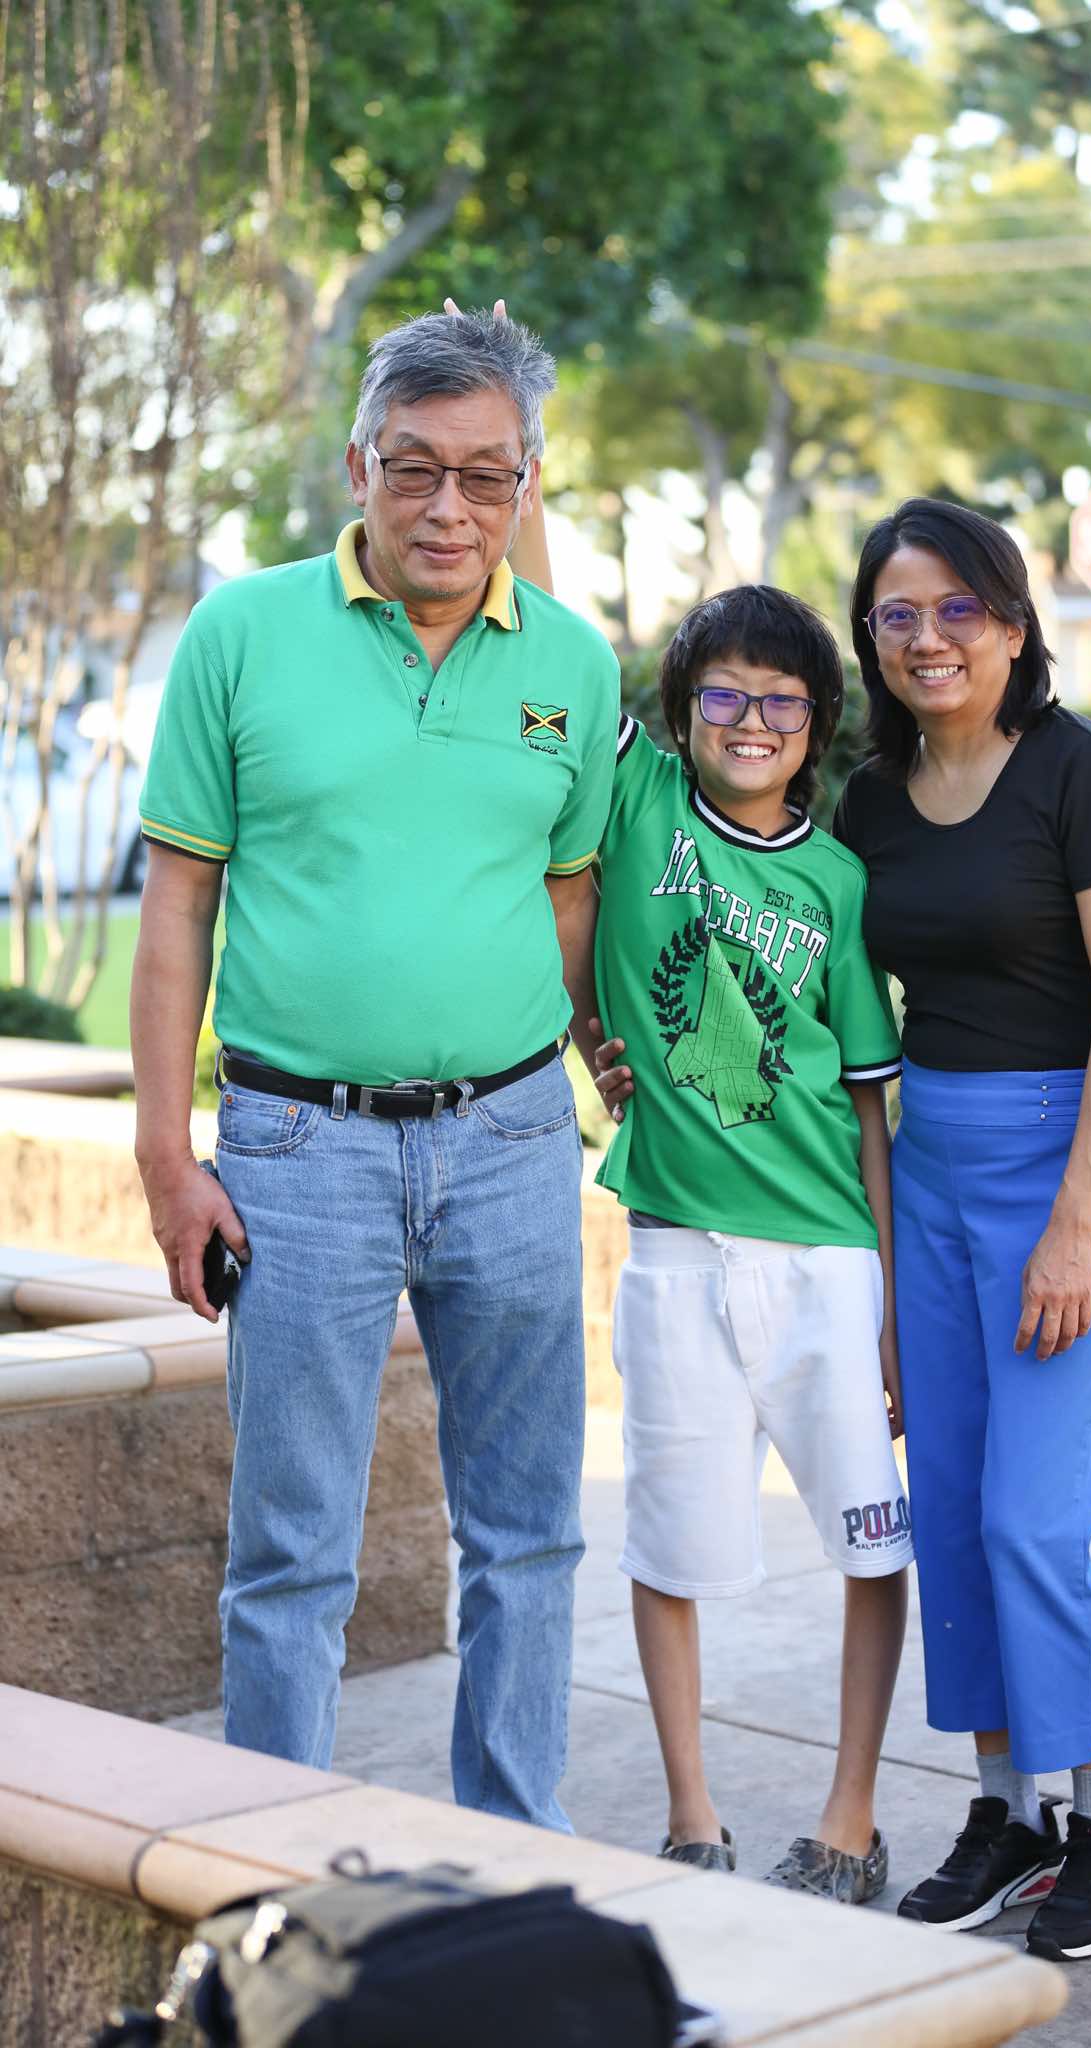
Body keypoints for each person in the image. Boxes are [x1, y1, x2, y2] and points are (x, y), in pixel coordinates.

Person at [130, 306, 619, 1831]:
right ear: (359, 465)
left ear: (525, 484)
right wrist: (166, 1158)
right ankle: (272, 1868)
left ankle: (515, 1852)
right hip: (297, 1150)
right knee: (291, 1552)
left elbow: (568, 906)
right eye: (415, 469)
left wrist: (610, 1067)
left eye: (485, 476)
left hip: (514, 1141)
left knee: (527, 1535)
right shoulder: (241, 634)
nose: (447, 508)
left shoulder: (574, 664)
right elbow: (178, 906)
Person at [833, 498, 1091, 1960]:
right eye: (898, 615)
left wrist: (1075, 1222)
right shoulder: (870, 798)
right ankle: (1004, 1809)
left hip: (1065, 1154)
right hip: (934, 1164)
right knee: (957, 1502)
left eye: (958, 609)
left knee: (1036, 1515)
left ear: (1014, 626)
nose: (929, 638)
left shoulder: (1088, 774)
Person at [590, 585, 912, 1903]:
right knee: (667, 1545)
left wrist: (890, 1308)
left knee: (871, 1541)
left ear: (819, 725)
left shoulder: (837, 881)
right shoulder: (639, 802)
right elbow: (538, 604)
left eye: (783, 700)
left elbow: (868, 1104)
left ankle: (850, 1820)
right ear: (680, 711)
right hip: (675, 1256)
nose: (751, 719)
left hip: (829, 1261)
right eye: (722, 691)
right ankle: (691, 1815)